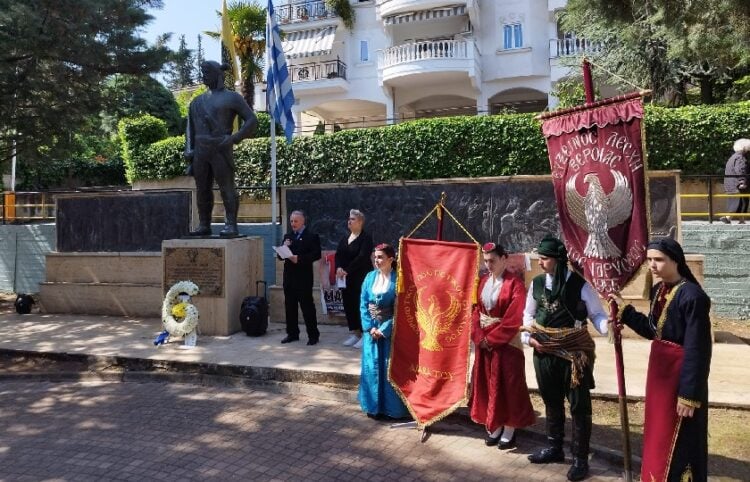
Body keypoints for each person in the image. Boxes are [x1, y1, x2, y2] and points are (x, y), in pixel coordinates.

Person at [610, 238, 712, 482]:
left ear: (675, 260)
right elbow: (653, 330)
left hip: (680, 378)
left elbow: (698, 349)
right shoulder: (660, 290)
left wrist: (689, 395)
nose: (653, 265)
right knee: (658, 431)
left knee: (681, 435)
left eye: (659, 260)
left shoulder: (692, 296)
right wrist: (626, 311)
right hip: (659, 375)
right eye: (649, 260)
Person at [521, 236, 608, 482]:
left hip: (573, 355)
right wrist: (530, 339)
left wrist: (611, 328)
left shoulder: (580, 285)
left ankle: (580, 458)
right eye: (540, 258)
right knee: (551, 400)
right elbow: (527, 316)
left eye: (545, 258)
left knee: (579, 405)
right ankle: (554, 448)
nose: (541, 263)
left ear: (558, 260)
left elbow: (597, 315)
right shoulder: (537, 284)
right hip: (544, 353)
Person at [469, 242, 536, 450]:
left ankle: (509, 428)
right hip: (485, 344)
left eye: (493, 261)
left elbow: (514, 317)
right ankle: (494, 424)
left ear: (504, 259)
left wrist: (492, 339)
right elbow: (475, 312)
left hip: (506, 345)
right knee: (488, 384)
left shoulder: (515, 285)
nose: (488, 265)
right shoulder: (482, 282)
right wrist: (479, 337)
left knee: (509, 386)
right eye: (486, 261)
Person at [185, 60, 258, 237]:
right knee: (202, 189)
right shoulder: (196, 101)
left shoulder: (232, 97)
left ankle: (231, 224)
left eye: (207, 72)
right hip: (200, 151)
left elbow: (252, 120)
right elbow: (189, 128)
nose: (204, 76)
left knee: (227, 187)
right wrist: (189, 150)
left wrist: (234, 138)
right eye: (203, 73)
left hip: (220, 147)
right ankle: (204, 224)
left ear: (218, 74)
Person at [358, 243, 409, 419]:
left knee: (388, 370)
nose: (377, 260)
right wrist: (370, 327)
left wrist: (384, 329)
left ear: (391, 259)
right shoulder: (369, 277)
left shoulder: (398, 280)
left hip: (388, 333)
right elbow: (363, 304)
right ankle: (373, 407)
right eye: (375, 257)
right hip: (371, 332)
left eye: (380, 257)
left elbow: (401, 310)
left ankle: (391, 409)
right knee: (371, 368)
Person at [280, 210, 322, 345]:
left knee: (307, 307)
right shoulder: (288, 236)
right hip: (289, 278)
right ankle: (292, 334)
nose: (293, 224)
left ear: (303, 221)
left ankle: (313, 335)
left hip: (303, 278)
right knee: (290, 307)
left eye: (296, 221)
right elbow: (281, 256)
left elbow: (316, 254)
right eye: (291, 221)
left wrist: (299, 259)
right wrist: (284, 247)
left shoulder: (312, 236)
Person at [335, 209, 374, 349]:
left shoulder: (366, 238)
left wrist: (347, 270)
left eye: (352, 219)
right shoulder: (345, 238)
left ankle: (365, 335)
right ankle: (355, 333)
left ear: (360, 222)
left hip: (360, 277)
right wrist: (339, 268)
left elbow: (362, 257)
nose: (349, 221)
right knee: (349, 305)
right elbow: (338, 254)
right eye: (349, 219)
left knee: (360, 305)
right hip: (345, 279)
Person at [721, 138, 750, 224]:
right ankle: (727, 218)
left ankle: (741, 220)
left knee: (741, 201)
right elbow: (740, 170)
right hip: (737, 185)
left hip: (731, 184)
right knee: (738, 202)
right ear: (745, 148)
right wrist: (742, 181)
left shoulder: (733, 157)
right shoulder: (740, 158)